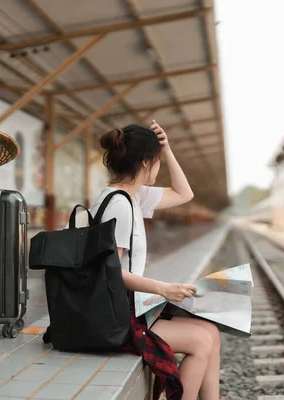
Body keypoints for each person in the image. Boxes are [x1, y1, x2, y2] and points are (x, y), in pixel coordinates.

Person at [75, 121, 221, 400]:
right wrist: (163, 288)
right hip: (115, 316)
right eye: (157, 162)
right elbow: (111, 271)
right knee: (202, 341)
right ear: (145, 162)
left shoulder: (134, 197)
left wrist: (166, 149)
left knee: (211, 332)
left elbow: (184, 194)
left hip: (127, 305)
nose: (158, 169)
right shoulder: (119, 204)